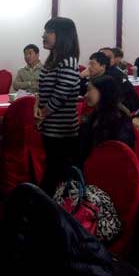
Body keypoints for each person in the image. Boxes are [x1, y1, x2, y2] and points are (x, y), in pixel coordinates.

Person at [35, 17, 80, 197]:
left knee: (55, 175)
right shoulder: (51, 60)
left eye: (48, 32)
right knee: (53, 172)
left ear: (62, 36)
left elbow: (60, 96)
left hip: (62, 131)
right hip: (50, 127)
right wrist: (37, 107)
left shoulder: (68, 62)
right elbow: (41, 89)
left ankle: (45, 206)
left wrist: (42, 114)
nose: (43, 35)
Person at [79, 75, 135, 163]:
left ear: (103, 92)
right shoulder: (95, 114)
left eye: (89, 90)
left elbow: (117, 152)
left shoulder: (118, 120)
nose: (86, 95)